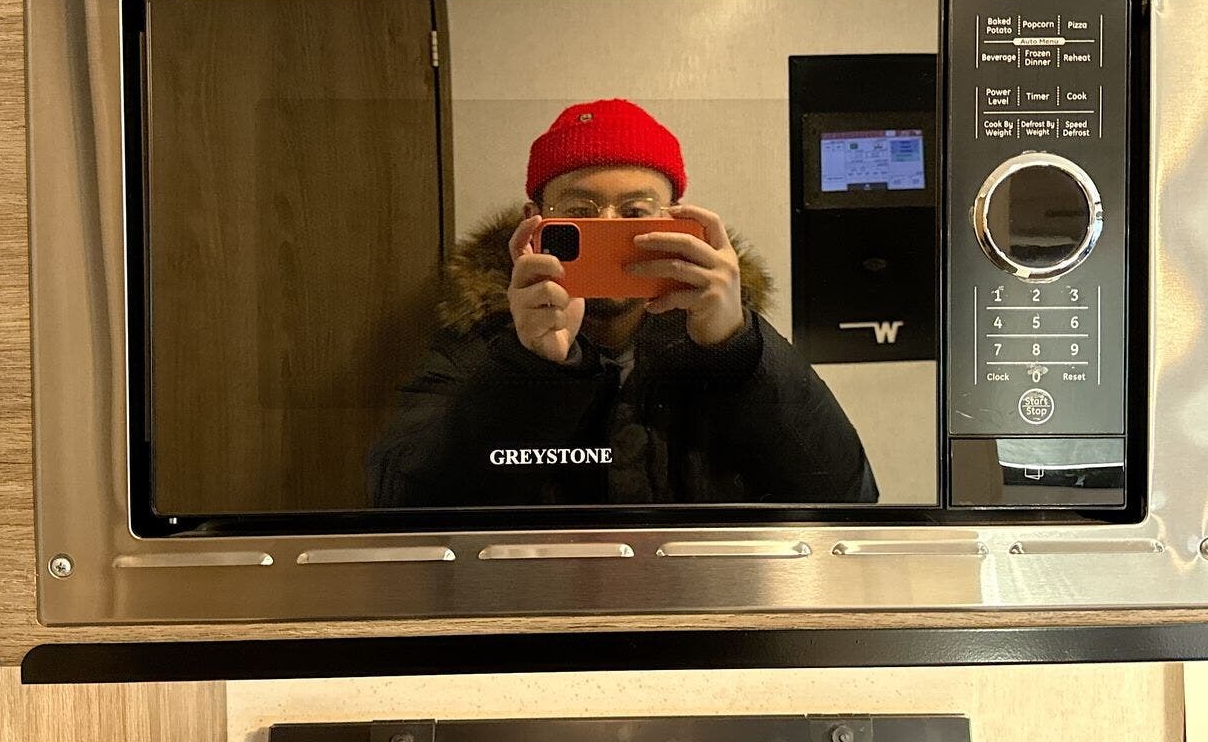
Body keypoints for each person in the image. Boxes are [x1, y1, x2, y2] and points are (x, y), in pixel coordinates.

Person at [365, 98, 879, 507]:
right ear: (535, 219)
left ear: (676, 220)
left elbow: (844, 496)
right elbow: (405, 506)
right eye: (580, 211)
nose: (610, 230)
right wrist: (529, 367)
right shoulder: (484, 338)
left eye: (635, 212)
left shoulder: (719, 334)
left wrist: (736, 347)